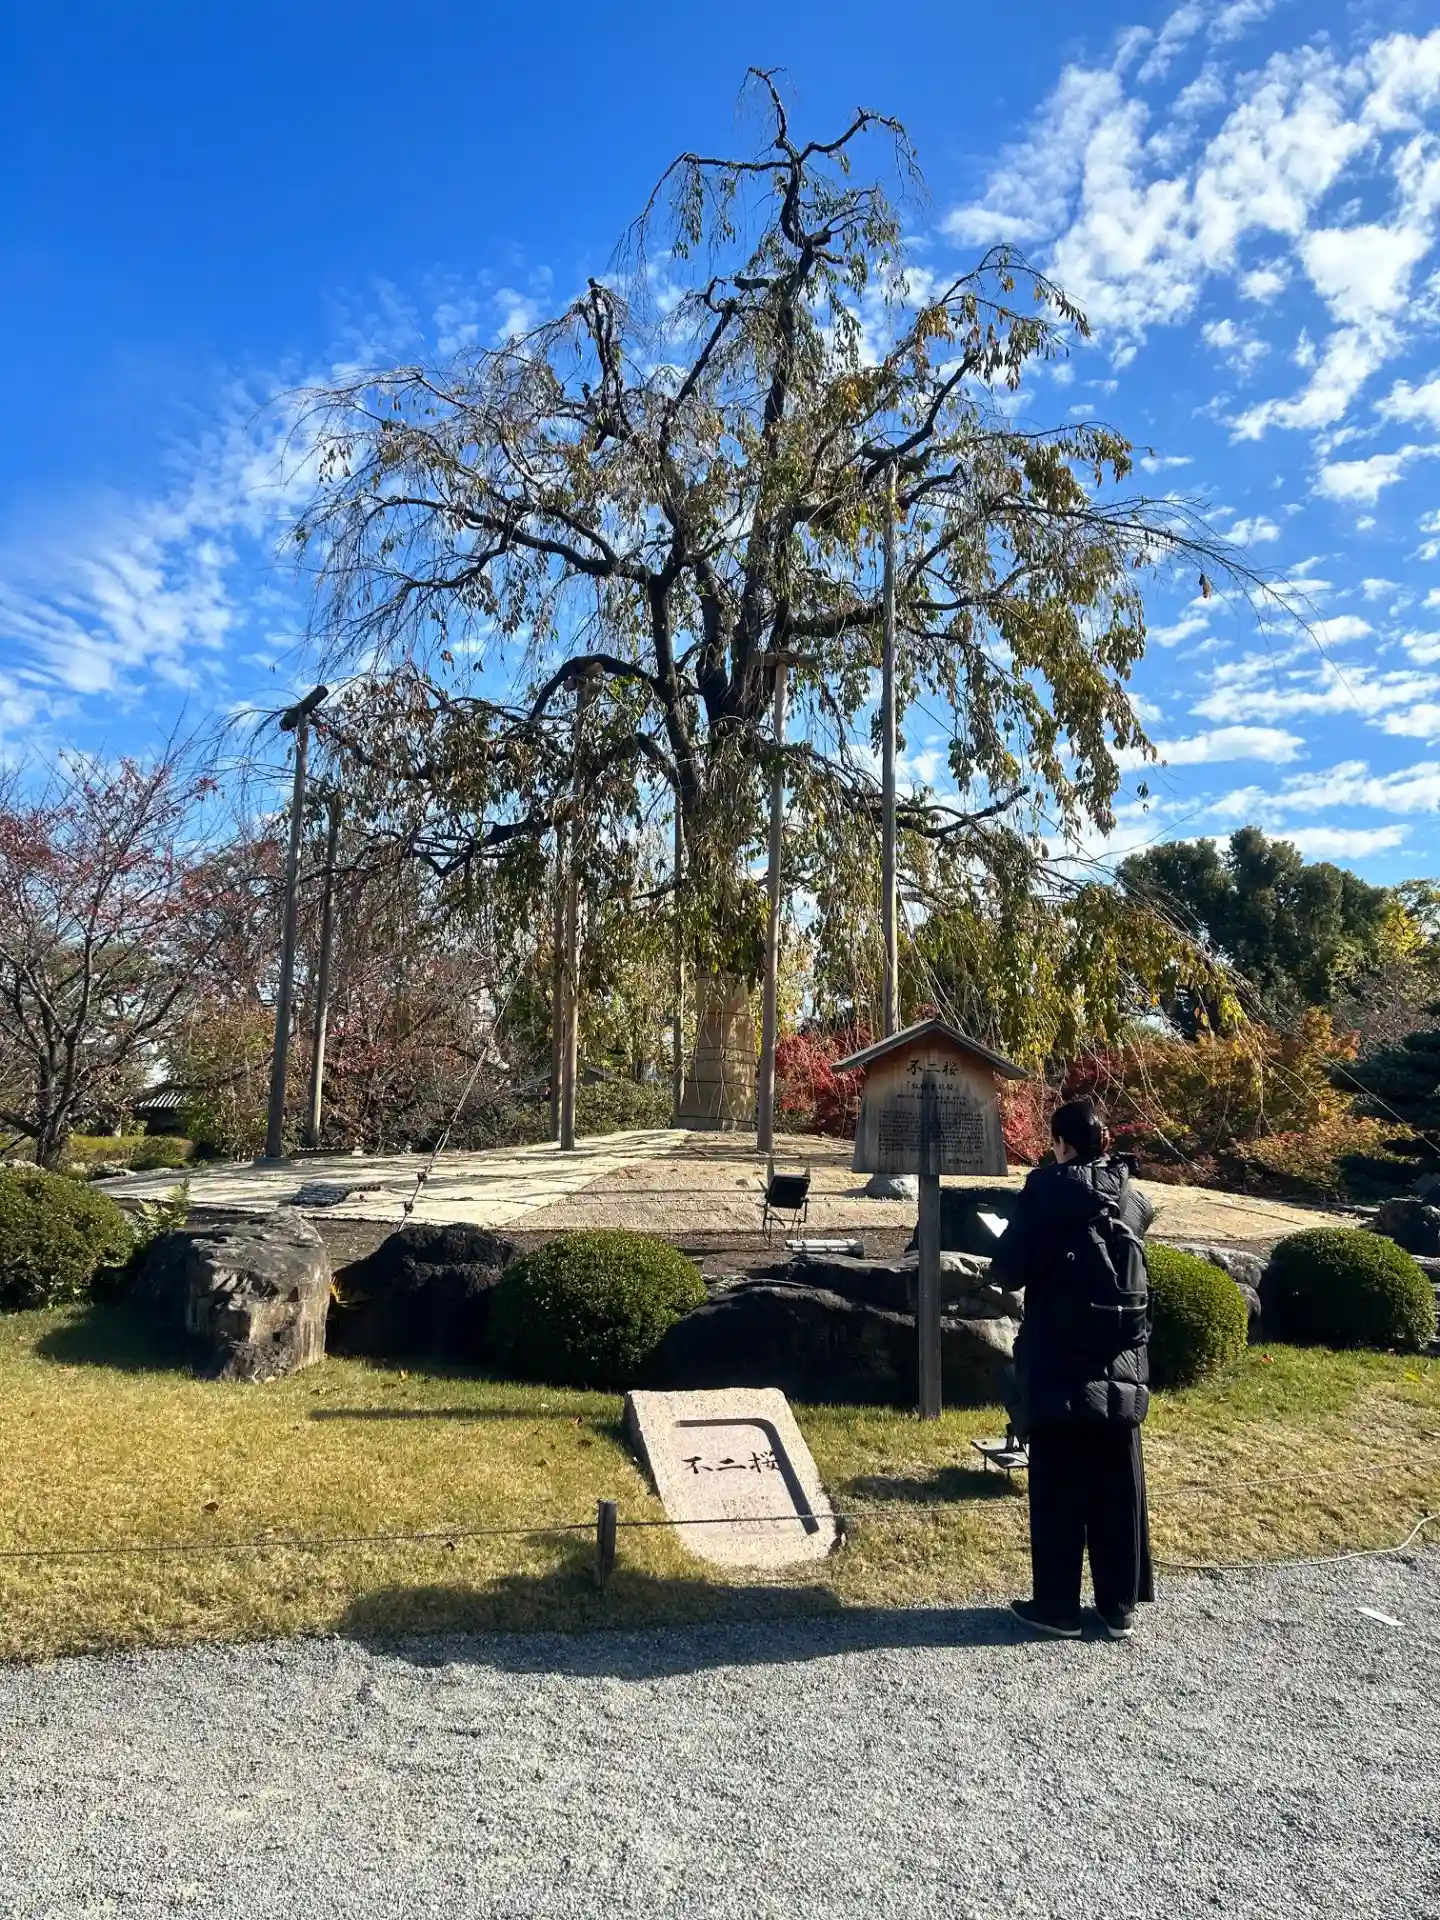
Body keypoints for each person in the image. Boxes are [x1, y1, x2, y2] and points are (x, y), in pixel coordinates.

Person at [988, 1096, 1155, 1641]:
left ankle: (1057, 1607)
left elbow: (1007, 1270)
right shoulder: (1131, 1195)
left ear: (1061, 1143)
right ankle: (1118, 1607)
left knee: (1058, 1486)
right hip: (1120, 1360)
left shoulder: (1044, 1192)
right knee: (1116, 1484)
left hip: (1059, 1359)